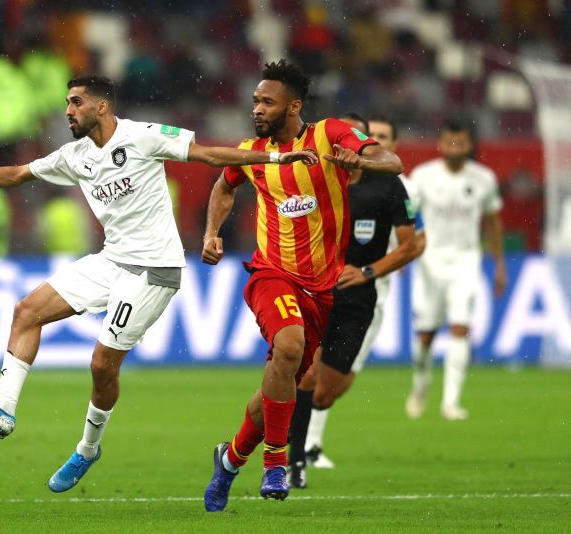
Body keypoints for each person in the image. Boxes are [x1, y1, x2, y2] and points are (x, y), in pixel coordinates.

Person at [0, 75, 316, 494]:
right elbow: (16, 174)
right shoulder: (75, 156)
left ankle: (88, 449)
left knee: (102, 364)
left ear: (101, 107)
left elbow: (210, 157)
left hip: (154, 270)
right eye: (67, 103)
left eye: (75, 102)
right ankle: (3, 409)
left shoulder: (143, 137)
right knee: (26, 311)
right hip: (112, 259)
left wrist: (274, 161)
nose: (68, 111)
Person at [200, 60, 403, 511]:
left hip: (322, 289)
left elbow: (393, 161)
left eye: (266, 102)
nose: (256, 109)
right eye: (254, 101)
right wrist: (212, 232)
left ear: (293, 106)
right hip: (270, 274)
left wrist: (362, 157)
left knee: (281, 379)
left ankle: (229, 460)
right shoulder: (252, 152)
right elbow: (223, 186)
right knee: (289, 350)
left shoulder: (330, 134)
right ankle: (276, 462)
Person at [286, 113, 420, 488]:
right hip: (316, 290)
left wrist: (367, 272)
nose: (339, 144)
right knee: (307, 375)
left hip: (360, 296)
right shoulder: (312, 178)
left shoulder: (388, 186)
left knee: (327, 391)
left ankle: (287, 430)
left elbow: (410, 246)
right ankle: (292, 462)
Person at [405, 118, 506, 421]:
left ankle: (451, 402)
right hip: (429, 261)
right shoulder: (423, 177)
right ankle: (421, 384)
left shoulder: (484, 179)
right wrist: (402, 251)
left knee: (461, 326)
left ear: (469, 145)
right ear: (440, 144)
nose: (454, 148)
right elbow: (408, 216)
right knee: (425, 336)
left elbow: (491, 220)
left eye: (460, 143)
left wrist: (499, 263)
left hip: (466, 260)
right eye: (449, 142)